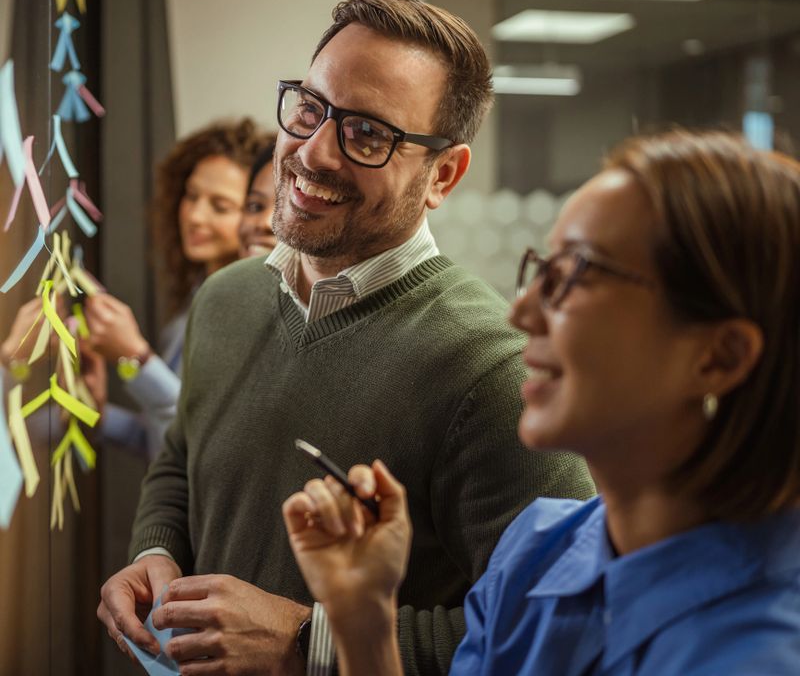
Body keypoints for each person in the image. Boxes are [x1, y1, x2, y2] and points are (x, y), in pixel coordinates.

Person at [97, 0, 594, 676]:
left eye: (367, 134)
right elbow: (182, 461)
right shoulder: (226, 299)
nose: (315, 152)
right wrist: (154, 552)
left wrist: (311, 641)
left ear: (442, 174)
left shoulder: (493, 370)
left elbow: (561, 628)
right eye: (309, 108)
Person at [283, 129, 800, 676]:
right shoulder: (537, 551)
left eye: (577, 273)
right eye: (543, 270)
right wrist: (365, 622)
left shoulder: (763, 651)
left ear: (719, 357)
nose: (521, 314)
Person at [85, 119, 275, 457]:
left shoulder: (265, 318)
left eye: (220, 206)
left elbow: (209, 444)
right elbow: (162, 441)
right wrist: (96, 416)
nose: (195, 216)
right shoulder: (192, 306)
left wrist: (134, 358)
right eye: (191, 196)